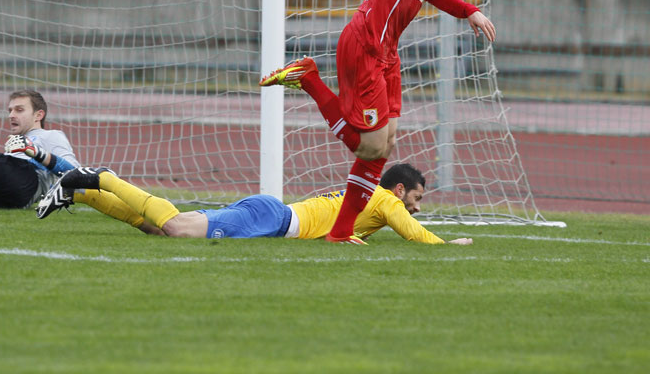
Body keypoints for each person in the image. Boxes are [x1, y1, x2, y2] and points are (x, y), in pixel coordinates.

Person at [258, 0, 496, 244]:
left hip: (388, 53)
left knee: (384, 145)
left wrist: (469, 12)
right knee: (366, 147)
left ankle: (340, 233)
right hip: (364, 46)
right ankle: (309, 79)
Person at [36, 162, 473, 246]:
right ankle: (102, 177)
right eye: (415, 199)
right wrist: (445, 244)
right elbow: (413, 233)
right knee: (173, 227)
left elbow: (340, 225)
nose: (415, 208)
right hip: (271, 218)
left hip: (271, 215)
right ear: (400, 191)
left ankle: (83, 193)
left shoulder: (369, 199)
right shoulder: (385, 198)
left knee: (156, 228)